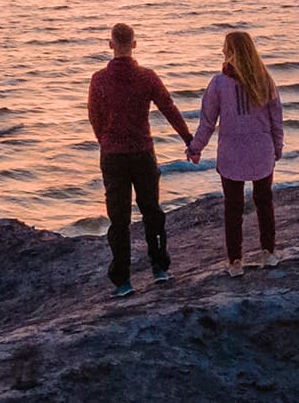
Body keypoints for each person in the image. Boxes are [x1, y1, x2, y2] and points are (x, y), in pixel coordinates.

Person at [88, 22, 193, 296]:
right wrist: (189, 139)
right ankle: (159, 268)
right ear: (134, 44)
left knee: (119, 219)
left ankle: (123, 281)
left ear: (111, 45)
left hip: (113, 155)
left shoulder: (99, 79)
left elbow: (94, 117)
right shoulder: (147, 76)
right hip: (143, 153)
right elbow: (169, 108)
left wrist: (105, 141)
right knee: (152, 211)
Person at [187, 30, 284, 276]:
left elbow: (207, 122)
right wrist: (278, 146)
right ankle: (269, 253)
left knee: (233, 208)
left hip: (232, 153)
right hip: (261, 150)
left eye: (224, 47)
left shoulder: (219, 83)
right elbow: (276, 119)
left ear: (229, 52)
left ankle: (235, 262)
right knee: (264, 202)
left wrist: (195, 148)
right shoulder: (265, 79)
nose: (221, 50)